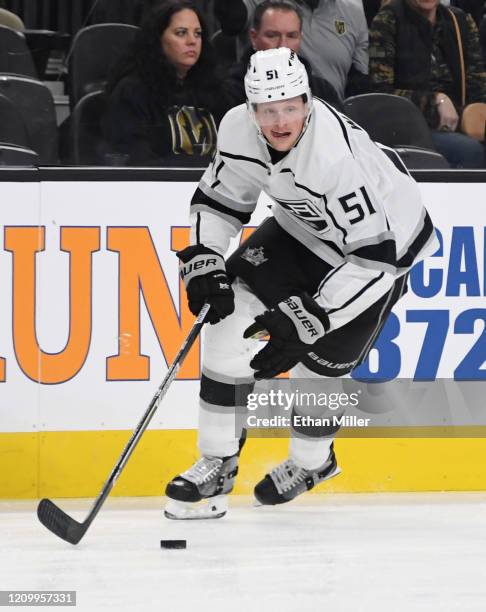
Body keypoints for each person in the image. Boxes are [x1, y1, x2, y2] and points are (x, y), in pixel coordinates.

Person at [164, 47, 438, 520]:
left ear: (308, 101)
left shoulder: (334, 159)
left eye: (291, 106)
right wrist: (205, 256)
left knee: (318, 367)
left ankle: (313, 463)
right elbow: (220, 200)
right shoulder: (235, 129)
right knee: (227, 327)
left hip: (383, 254)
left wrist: (314, 316)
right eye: (268, 109)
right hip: (302, 230)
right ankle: (218, 461)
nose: (280, 120)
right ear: (251, 109)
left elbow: (375, 258)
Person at [102, 0, 225, 166]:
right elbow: (138, 162)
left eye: (197, 33)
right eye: (181, 33)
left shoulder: (212, 88)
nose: (192, 41)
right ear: (158, 38)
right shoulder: (133, 92)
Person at [369, 0, 486, 168]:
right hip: (410, 127)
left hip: (461, 123)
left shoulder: (461, 22)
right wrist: (434, 101)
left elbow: (479, 87)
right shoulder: (387, 20)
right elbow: (380, 93)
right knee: (468, 150)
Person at [214, 0, 369, 101]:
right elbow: (232, 20)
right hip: (254, 100)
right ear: (254, 37)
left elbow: (359, 81)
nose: (283, 45)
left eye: (292, 35)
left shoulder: (354, 9)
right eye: (272, 35)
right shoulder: (263, 4)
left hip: (325, 111)